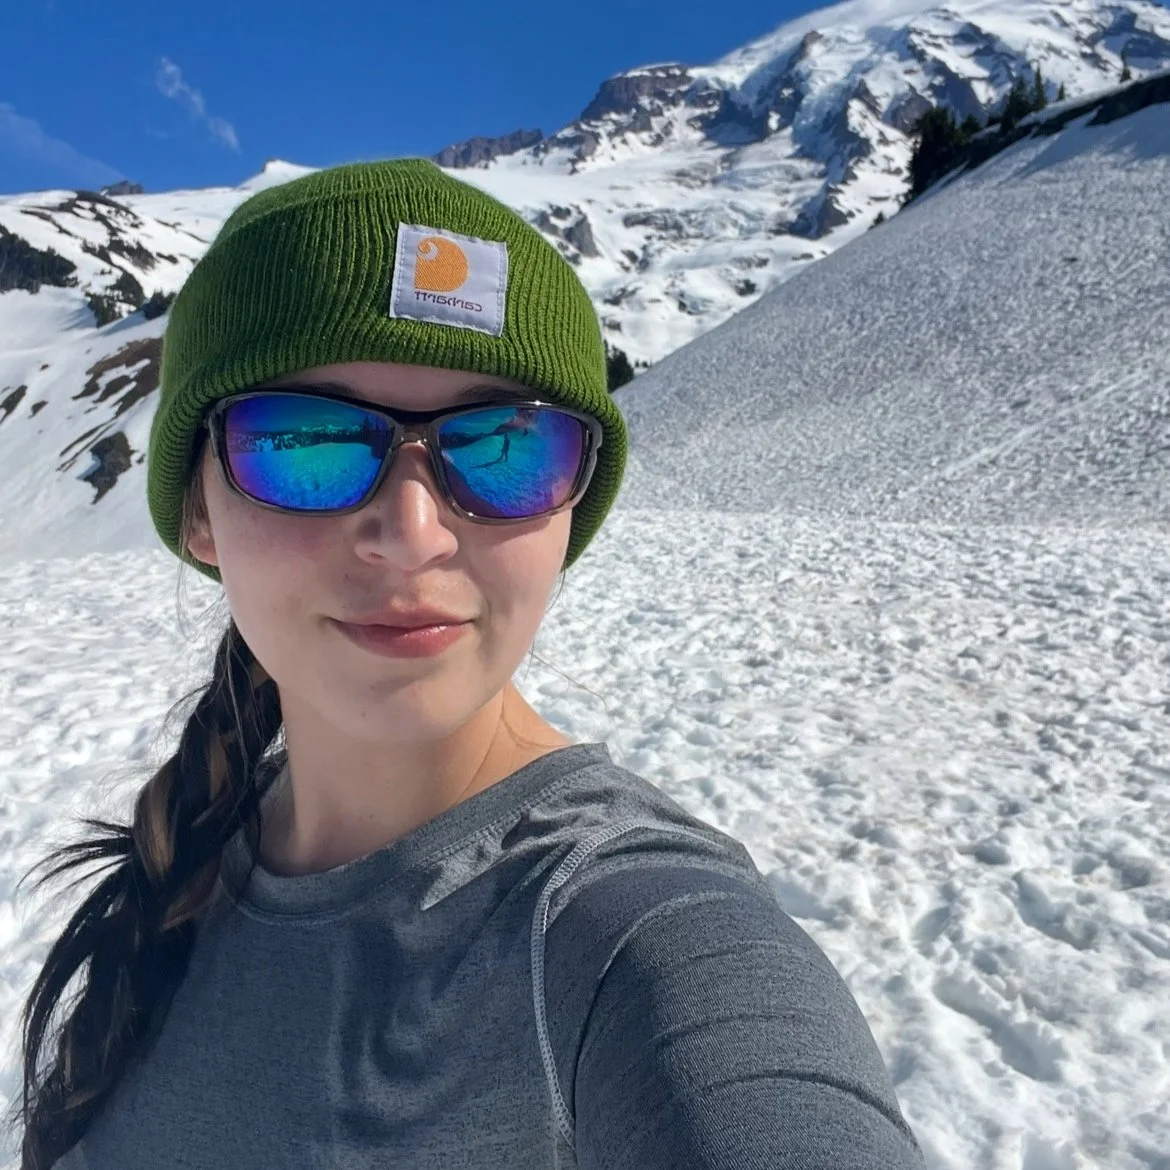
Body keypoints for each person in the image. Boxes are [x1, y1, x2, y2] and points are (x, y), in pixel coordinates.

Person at [8, 159, 927, 1169]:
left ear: (568, 513)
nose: (412, 536)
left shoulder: (638, 938)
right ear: (198, 511)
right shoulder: (185, 862)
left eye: (506, 446)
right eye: (306, 441)